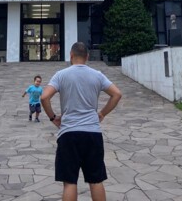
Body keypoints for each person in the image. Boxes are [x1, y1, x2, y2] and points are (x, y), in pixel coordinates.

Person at [41, 42, 122, 201]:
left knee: (70, 182)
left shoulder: (61, 74)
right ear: (87, 57)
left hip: (69, 133)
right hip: (92, 133)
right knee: (96, 180)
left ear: (71, 56)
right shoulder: (97, 75)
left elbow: (44, 97)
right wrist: (102, 114)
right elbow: (117, 94)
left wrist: (53, 117)